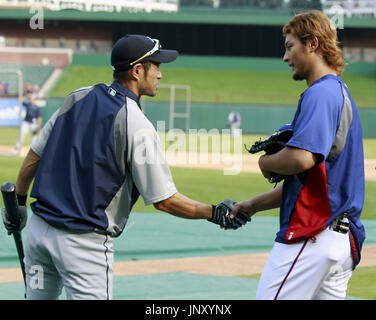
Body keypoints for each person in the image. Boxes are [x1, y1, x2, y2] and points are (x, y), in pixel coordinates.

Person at [1, 34, 247, 300]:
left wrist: (20, 202)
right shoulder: (137, 123)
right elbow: (164, 200)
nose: (160, 74)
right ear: (137, 70)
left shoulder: (76, 98)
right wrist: (214, 212)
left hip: (39, 233)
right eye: (157, 66)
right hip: (83, 246)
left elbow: (34, 156)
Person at [230, 11, 365, 300]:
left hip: (312, 236)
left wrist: (265, 162)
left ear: (312, 44)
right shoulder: (340, 93)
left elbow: (301, 159)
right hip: (341, 242)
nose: (285, 56)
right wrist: (253, 205)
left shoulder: (321, 93)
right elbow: (313, 182)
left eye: (290, 46)